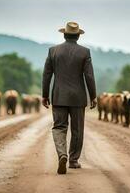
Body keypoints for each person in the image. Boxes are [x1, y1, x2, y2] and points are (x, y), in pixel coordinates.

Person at [42, 21, 97, 175]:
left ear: (64, 34)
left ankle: (62, 154)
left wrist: (45, 95)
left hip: (59, 96)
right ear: (78, 36)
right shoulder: (85, 52)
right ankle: (73, 160)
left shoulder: (53, 51)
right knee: (77, 129)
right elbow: (89, 76)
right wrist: (93, 96)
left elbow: (47, 75)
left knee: (59, 127)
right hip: (78, 97)